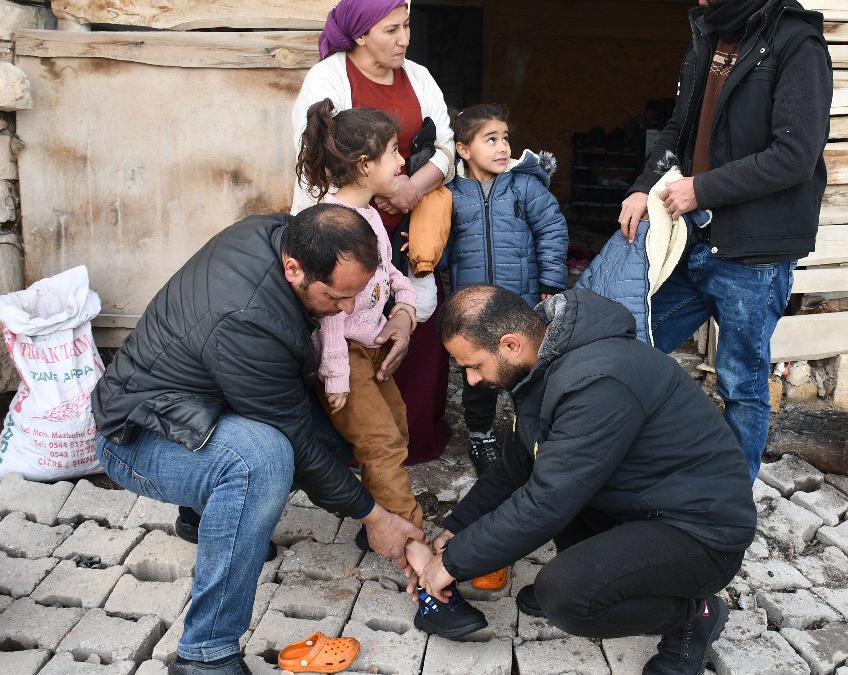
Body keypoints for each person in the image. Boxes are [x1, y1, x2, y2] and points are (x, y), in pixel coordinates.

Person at [91, 204, 425, 675]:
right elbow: (294, 441)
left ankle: (202, 515)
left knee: (339, 428)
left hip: (200, 410)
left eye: (357, 295)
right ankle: (206, 654)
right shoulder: (248, 318)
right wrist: (374, 517)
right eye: (336, 296)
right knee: (262, 461)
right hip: (138, 437)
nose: (348, 309)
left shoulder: (281, 233)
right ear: (294, 269)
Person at [417, 285, 756, 675]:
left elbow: (547, 502)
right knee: (559, 488)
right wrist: (455, 531)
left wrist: (453, 564)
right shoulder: (540, 364)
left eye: (474, 365)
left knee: (566, 595)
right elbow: (515, 470)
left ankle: (694, 615)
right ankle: (613, 578)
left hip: (702, 530)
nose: (471, 379)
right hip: (640, 503)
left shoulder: (597, 381)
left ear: (510, 344)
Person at [295, 99, 489, 638]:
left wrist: (404, 305)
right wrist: (336, 373)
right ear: (363, 165)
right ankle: (420, 559)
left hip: (371, 349)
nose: (404, 163)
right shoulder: (336, 222)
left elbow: (389, 275)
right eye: (393, 154)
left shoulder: (372, 218)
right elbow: (329, 311)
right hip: (348, 357)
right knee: (381, 445)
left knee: (398, 432)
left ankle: (378, 523)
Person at [617, 0, 833, 482]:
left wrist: (702, 188)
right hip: (691, 239)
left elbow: (795, 155)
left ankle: (728, 510)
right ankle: (635, 470)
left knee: (742, 385)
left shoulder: (797, 42)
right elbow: (680, 126)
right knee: (634, 344)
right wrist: (641, 183)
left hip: (754, 252)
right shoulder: (707, 34)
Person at [292, 0, 454, 464]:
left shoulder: (419, 77)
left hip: (411, 223)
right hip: (344, 230)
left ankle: (411, 440)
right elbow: (312, 160)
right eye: (391, 30)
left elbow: (445, 144)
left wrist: (408, 189)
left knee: (413, 326)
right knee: (344, 332)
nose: (404, 39)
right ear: (360, 35)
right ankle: (350, 444)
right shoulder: (327, 79)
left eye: (407, 27)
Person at [445, 103, 568, 475]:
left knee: (527, 370)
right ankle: (481, 436)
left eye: (505, 139)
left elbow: (552, 230)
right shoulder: (450, 193)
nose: (503, 148)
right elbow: (440, 245)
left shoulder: (525, 185)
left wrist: (551, 280)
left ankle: (528, 434)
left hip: (521, 301)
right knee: (479, 374)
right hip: (474, 307)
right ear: (464, 149)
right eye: (491, 139)